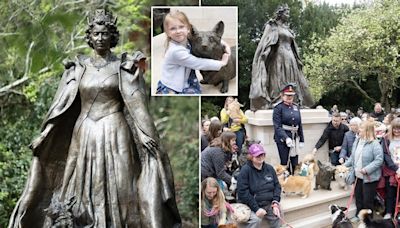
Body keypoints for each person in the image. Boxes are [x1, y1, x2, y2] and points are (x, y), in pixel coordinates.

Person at [9, 9, 181, 227]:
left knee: (120, 180)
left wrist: (143, 134)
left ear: (112, 37)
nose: (100, 38)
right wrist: (44, 134)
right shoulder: (77, 68)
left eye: (104, 34)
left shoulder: (124, 67)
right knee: (79, 180)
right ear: (89, 37)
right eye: (96, 34)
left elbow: (137, 105)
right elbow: (60, 105)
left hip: (115, 129)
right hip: (84, 131)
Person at [249, 4, 313, 110]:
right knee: (278, 78)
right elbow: (265, 41)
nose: (288, 16)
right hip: (279, 55)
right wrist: (264, 53)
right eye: (286, 13)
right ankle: (277, 100)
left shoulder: (287, 29)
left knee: (292, 78)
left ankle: (295, 101)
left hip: (291, 57)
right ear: (280, 14)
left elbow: (294, 45)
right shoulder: (272, 26)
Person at [157, 10, 230, 94]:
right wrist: (221, 63)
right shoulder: (175, 51)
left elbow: (211, 38)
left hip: (186, 79)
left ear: (188, 29)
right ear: (167, 33)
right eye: (173, 28)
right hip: (172, 85)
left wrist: (226, 46)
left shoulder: (185, 40)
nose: (178, 31)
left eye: (181, 27)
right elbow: (198, 63)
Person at [343, 120, 383, 218]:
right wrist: (344, 165)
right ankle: (358, 216)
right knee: (359, 198)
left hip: (369, 178)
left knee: (367, 201)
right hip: (358, 176)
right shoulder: (357, 141)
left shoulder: (375, 144)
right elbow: (353, 157)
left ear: (367, 131)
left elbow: (379, 160)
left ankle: (368, 220)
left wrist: (367, 169)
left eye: (361, 129)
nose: (358, 130)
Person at [236, 144, 281, 228]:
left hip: (269, 203)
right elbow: (243, 192)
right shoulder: (245, 170)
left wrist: (275, 202)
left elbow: (277, 186)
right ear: (251, 157)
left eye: (262, 154)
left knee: (277, 215)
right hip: (252, 204)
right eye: (257, 155)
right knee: (256, 220)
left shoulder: (269, 168)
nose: (260, 157)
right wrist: (256, 208)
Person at [272, 83, 304, 174]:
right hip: (283, 139)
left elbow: (299, 124)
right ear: (282, 95)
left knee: (295, 162)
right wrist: (286, 138)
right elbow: (277, 126)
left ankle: (294, 181)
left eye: (291, 95)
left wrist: (302, 139)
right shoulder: (278, 108)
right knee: (284, 163)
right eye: (287, 95)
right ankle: (285, 183)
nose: (290, 97)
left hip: (294, 138)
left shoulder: (295, 107)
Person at [379, 118, 400, 219]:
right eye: (395, 128)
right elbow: (385, 155)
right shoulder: (386, 139)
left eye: (399, 129)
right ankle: (388, 212)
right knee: (390, 193)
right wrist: (396, 169)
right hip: (390, 170)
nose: (397, 131)